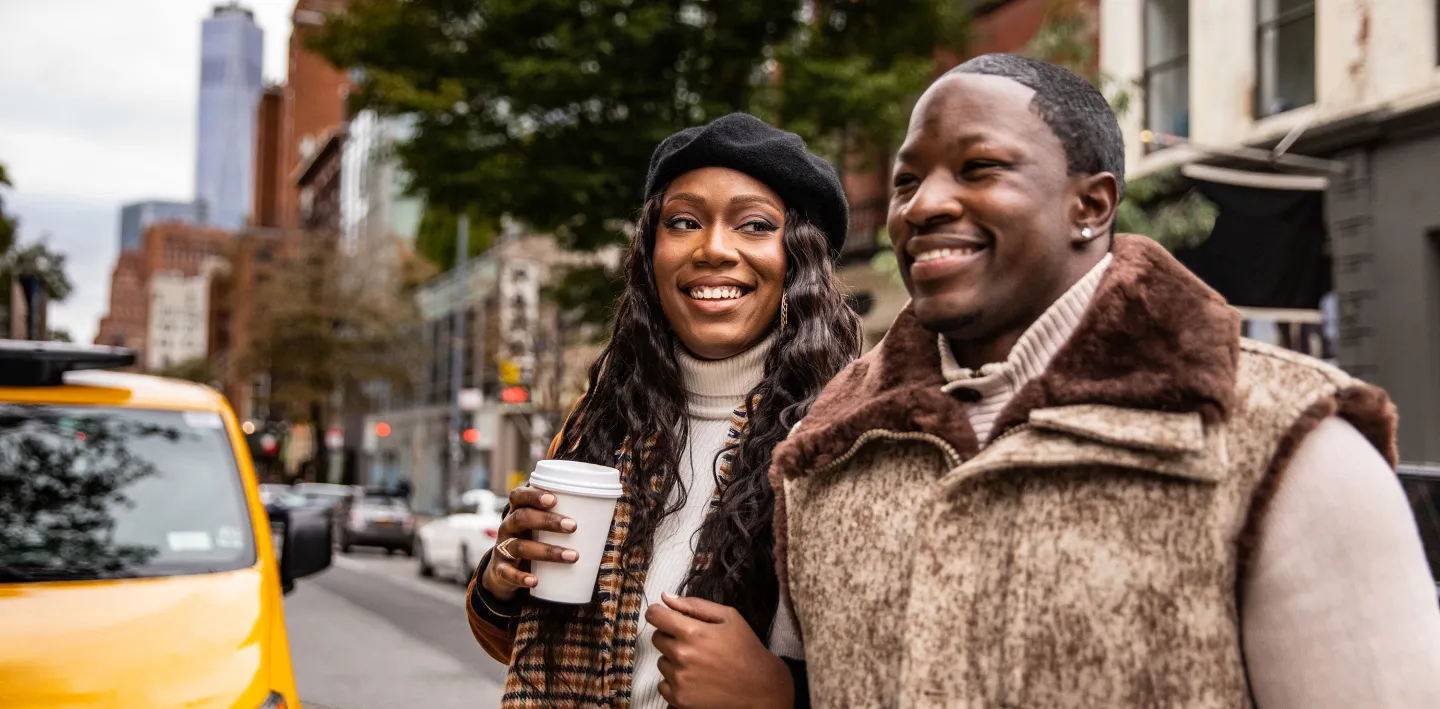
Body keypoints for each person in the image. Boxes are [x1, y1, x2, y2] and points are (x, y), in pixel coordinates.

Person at [769, 54, 1440, 708]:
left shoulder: (1290, 444)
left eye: (979, 168)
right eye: (906, 182)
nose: (924, 205)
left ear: (1090, 204)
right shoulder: (822, 453)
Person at [465, 112, 863, 709]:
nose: (714, 249)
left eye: (754, 225)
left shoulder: (842, 440)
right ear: (652, 252)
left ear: (799, 261)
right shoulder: (600, 420)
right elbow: (521, 640)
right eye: (684, 222)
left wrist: (781, 695)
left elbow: (900, 670)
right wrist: (503, 574)